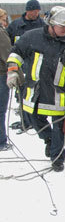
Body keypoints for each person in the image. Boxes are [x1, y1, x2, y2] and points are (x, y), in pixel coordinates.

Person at [6, 6, 65, 171]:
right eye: (62, 26)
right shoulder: (32, 37)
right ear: (51, 23)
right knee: (34, 120)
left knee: (59, 127)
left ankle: (57, 158)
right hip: (34, 92)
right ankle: (49, 140)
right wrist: (12, 72)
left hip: (57, 94)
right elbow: (15, 54)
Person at [6, 0, 45, 133]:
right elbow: (8, 46)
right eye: (34, 11)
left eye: (38, 11)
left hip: (38, 67)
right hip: (21, 67)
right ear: (27, 11)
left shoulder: (42, 25)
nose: (36, 13)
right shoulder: (15, 26)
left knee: (38, 96)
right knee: (22, 96)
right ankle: (26, 122)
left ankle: (37, 122)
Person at [0, 8, 12, 151]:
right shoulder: (1, 34)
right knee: (0, 109)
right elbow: (7, 56)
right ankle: (1, 140)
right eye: (3, 19)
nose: (5, 22)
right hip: (2, 74)